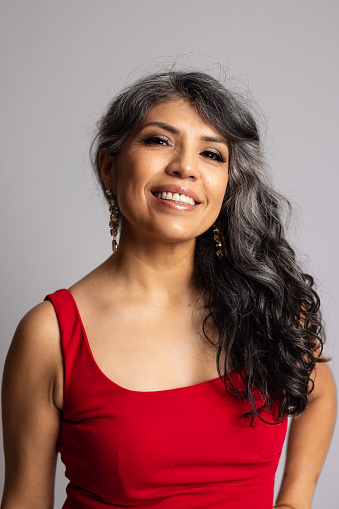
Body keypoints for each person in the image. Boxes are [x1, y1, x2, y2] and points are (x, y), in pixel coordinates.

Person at [1, 70, 336, 509]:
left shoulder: (265, 305)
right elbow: (25, 499)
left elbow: (319, 390)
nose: (185, 166)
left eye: (212, 153)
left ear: (229, 185)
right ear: (109, 166)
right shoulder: (51, 334)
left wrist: (294, 500)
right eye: (160, 141)